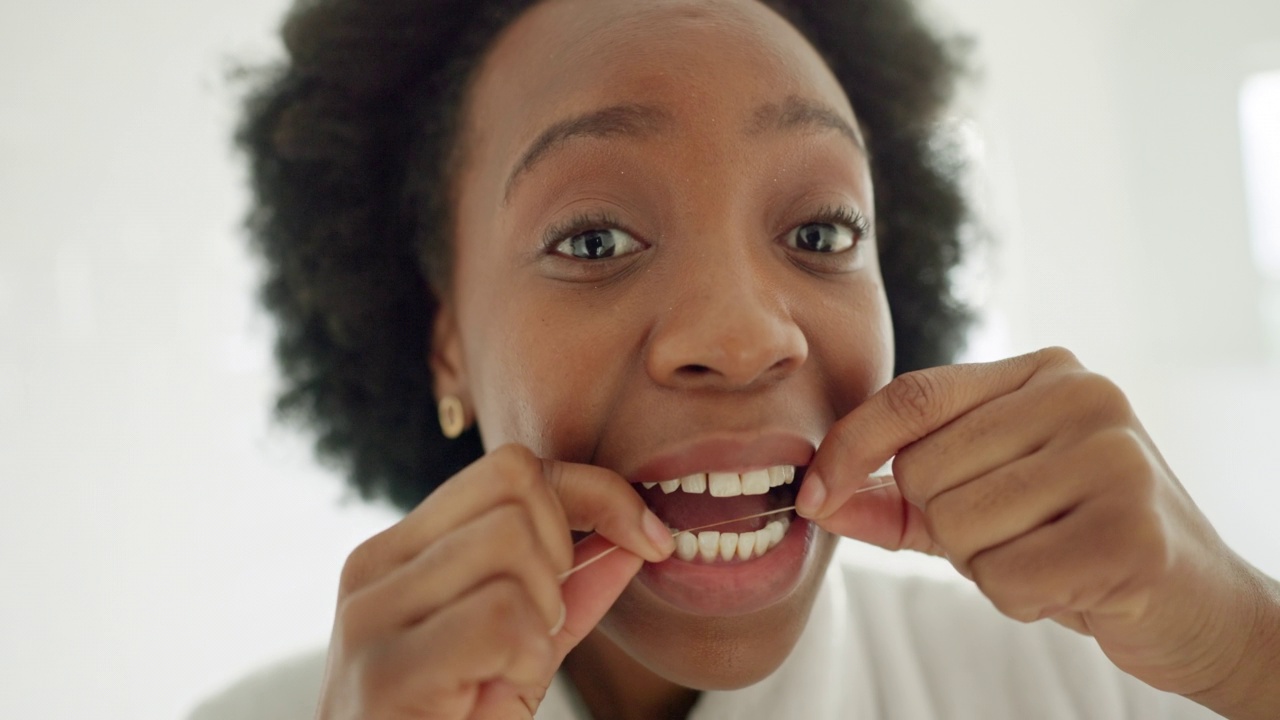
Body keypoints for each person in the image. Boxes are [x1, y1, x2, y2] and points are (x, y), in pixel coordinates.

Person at [193, 0, 1280, 718]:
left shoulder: (1086, 687)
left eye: (819, 233)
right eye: (591, 241)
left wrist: (1241, 642)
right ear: (444, 346)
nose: (743, 335)